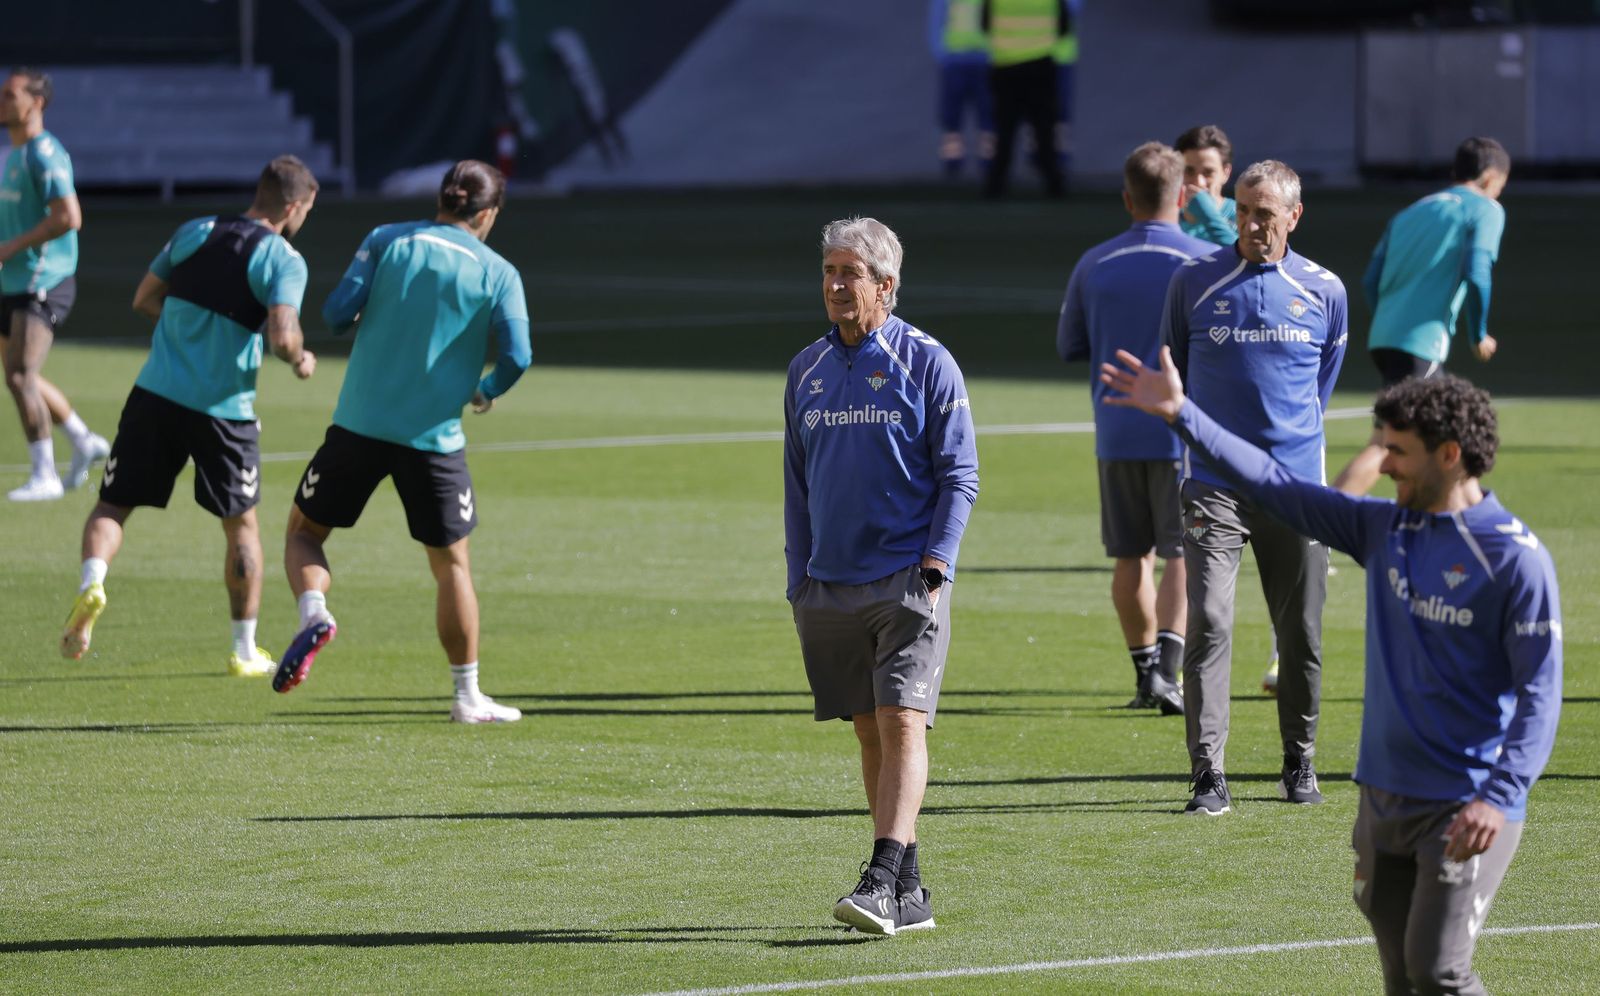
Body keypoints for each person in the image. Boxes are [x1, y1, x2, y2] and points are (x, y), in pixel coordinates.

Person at [1102, 355, 1561, 996]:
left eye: (1396, 451)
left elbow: (1541, 691)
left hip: (1466, 801)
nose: (1384, 464)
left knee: (1439, 969)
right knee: (1402, 975)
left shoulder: (1515, 559)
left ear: (1450, 454)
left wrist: (1500, 792)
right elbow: (1274, 484)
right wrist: (1182, 414)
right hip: (1384, 797)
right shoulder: (1386, 530)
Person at [275, 160, 531, 725]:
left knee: (305, 533)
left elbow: (337, 312)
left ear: (443, 200)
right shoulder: (496, 270)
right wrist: (485, 392)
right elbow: (518, 356)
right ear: (486, 214)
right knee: (451, 567)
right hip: (434, 440)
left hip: (358, 426)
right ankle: (467, 696)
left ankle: (314, 611)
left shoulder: (387, 239)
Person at [785, 217, 979, 936]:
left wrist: (936, 563)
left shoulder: (929, 363)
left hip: (907, 579)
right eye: (830, 272)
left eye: (851, 274)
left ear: (886, 286)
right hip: (828, 585)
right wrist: (797, 577)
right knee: (869, 731)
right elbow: (796, 485)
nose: (837, 286)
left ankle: (879, 877)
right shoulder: (804, 368)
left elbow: (961, 474)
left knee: (902, 720)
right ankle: (913, 894)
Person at [59, 156, 319, 674]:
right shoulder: (284, 259)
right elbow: (284, 335)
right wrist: (299, 358)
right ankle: (244, 650)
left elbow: (143, 300)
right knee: (241, 529)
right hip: (223, 412)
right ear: (293, 206)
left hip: (155, 392)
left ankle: (92, 585)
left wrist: (185, 328)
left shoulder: (195, 229)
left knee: (112, 505)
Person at [1159, 159, 1348, 815]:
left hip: (1297, 489)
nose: (1250, 224)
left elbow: (1322, 383)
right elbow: (1173, 372)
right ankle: (1208, 775)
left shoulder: (1326, 290)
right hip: (1213, 485)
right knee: (1208, 621)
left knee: (1302, 633)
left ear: (1294, 217)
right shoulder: (1194, 283)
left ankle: (1299, 762)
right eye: (1242, 211)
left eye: (1264, 213)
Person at [1057, 141, 1216, 715]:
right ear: (1182, 195)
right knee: (1181, 555)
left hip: (1117, 431)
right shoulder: (1202, 262)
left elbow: (1069, 344)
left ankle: (1145, 671)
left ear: (1127, 198)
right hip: (1181, 431)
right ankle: (1170, 673)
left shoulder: (1094, 262)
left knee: (1131, 556)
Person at [1332, 137, 1511, 498]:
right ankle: (1317, 530)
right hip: (1420, 342)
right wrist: (1478, 333)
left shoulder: (1411, 211)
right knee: (1385, 443)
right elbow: (1477, 272)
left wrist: (1392, 316)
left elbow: (1371, 279)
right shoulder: (1485, 209)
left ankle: (1468, 527)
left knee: (1452, 439)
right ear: (1491, 178)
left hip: (1387, 336)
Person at [0, 67, 108, 501]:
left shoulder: (44, 153)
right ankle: (83, 440)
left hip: (43, 281)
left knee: (21, 375)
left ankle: (44, 473)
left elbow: (69, 217)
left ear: (36, 102)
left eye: (9, 95)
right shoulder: (15, 154)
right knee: (17, 371)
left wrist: (11, 247)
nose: (2, 102)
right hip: (13, 280)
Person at [981, 0, 1067, 198]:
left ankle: (996, 186)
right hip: (1040, 64)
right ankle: (1054, 184)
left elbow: (985, 25)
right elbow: (1063, 27)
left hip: (1005, 65)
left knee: (1005, 130)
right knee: (1044, 129)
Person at [928, 0, 994, 179]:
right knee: (951, 117)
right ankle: (952, 166)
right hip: (955, 61)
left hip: (985, 60)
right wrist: (942, 55)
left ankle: (989, 165)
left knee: (989, 116)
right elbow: (936, 19)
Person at [1174, 124, 1238, 246]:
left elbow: (1249, 261)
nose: (1199, 182)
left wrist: (1208, 214)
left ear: (1226, 173)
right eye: (1189, 171)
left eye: (1208, 173)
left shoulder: (1244, 216)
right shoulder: (1168, 220)